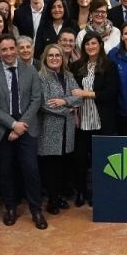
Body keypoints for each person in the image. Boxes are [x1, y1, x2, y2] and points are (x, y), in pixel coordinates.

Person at [0, 34, 47, 229]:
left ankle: (36, 210)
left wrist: (21, 125)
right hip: (3, 130)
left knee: (31, 170)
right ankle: (10, 208)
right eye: (4, 49)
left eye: (12, 48)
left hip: (27, 129)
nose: (9, 53)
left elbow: (36, 100)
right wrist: (13, 125)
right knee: (5, 171)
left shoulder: (30, 71)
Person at [71, 33, 118, 205]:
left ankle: (99, 193)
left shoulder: (109, 66)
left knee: (101, 159)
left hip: (102, 120)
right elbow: (71, 92)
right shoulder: (76, 66)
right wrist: (74, 112)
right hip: (82, 119)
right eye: (87, 44)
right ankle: (81, 193)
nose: (90, 47)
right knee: (80, 159)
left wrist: (86, 93)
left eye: (93, 43)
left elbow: (111, 93)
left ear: (100, 45)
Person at [37, 44, 79, 214]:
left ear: (63, 58)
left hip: (67, 130)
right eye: (51, 56)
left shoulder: (69, 76)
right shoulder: (41, 77)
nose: (55, 58)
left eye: (58, 55)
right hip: (49, 128)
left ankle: (58, 196)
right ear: (45, 58)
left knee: (63, 165)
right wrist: (68, 109)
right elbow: (44, 103)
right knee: (50, 167)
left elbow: (79, 97)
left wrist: (64, 101)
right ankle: (52, 200)